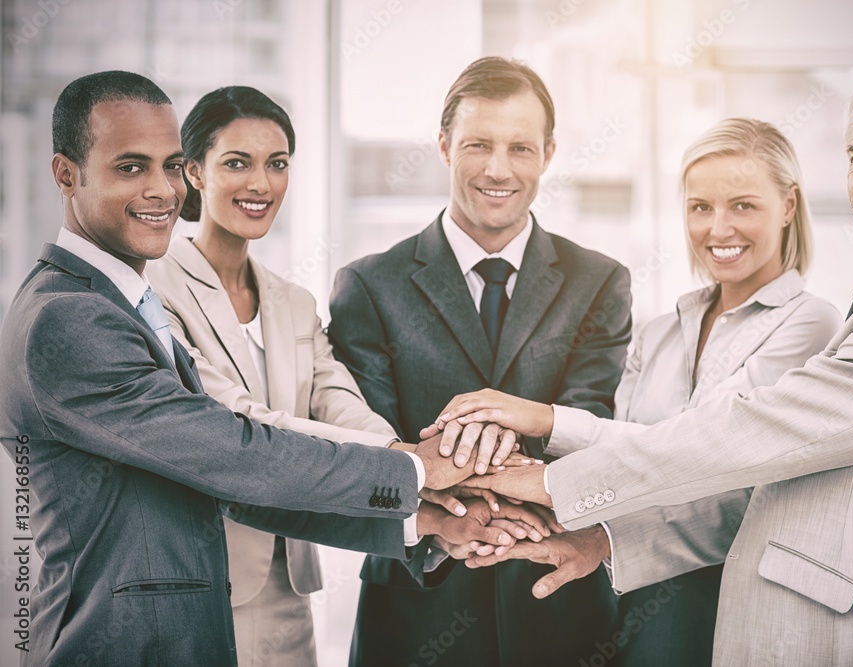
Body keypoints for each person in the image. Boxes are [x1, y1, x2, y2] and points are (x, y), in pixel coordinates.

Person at [433, 59, 853, 664]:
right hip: (666, 598)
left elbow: (747, 437)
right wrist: (604, 538)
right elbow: (760, 483)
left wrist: (551, 470)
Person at [0, 71, 480, 667]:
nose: (161, 190)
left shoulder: (123, 298)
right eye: (130, 167)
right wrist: (411, 471)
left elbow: (231, 475)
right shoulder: (70, 319)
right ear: (65, 174)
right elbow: (234, 451)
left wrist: (420, 517)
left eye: (169, 166)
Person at [145, 86, 550, 667]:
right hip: (199, 583)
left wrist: (426, 478)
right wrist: (413, 465)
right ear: (194, 173)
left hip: (288, 588)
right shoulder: (158, 288)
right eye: (237, 162)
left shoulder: (292, 302)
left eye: (276, 164)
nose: (260, 183)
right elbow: (237, 421)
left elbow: (340, 404)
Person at [327, 57, 632, 666]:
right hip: (416, 610)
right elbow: (376, 450)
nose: (499, 169)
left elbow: (585, 425)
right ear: (443, 146)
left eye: (520, 147)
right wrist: (450, 519)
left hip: (561, 608)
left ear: (548, 153)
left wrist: (480, 488)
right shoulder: (369, 285)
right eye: (478, 145)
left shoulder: (600, 281)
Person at [559, 118, 838, 665]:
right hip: (618, 582)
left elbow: (714, 456)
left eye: (743, 205)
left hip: (721, 591)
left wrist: (547, 422)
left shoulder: (812, 325)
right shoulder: (660, 330)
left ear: (788, 206)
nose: (718, 228)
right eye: (700, 207)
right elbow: (616, 459)